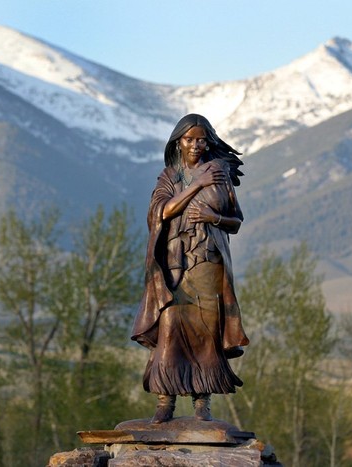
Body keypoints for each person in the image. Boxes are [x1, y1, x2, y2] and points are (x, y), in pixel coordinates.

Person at [131, 113, 249, 424]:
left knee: (206, 331)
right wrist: (196, 185)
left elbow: (236, 220)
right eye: (189, 139)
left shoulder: (221, 174)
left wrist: (214, 218)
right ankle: (165, 400)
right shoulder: (169, 176)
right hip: (174, 265)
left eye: (201, 139)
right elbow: (161, 211)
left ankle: (202, 403)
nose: (196, 145)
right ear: (178, 142)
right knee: (170, 326)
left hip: (208, 261)